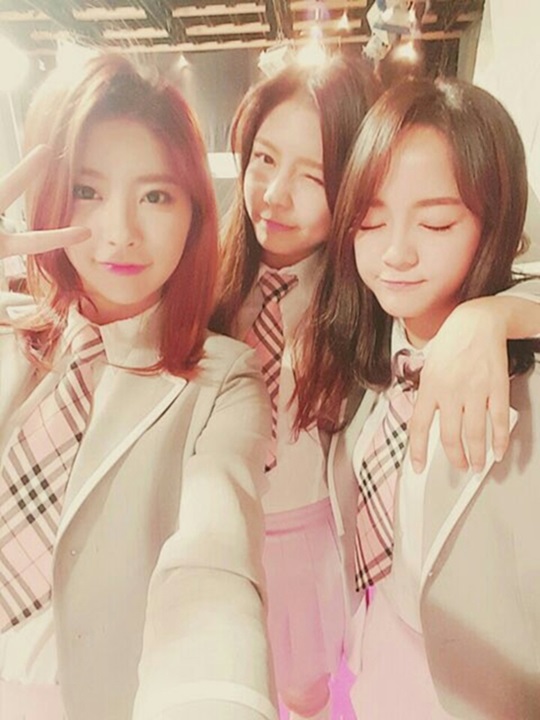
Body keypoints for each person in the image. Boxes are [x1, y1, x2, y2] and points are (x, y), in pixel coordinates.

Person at [211, 52, 540, 720]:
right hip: (366, 649)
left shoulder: (358, 310)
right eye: (371, 217)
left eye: (436, 223)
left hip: (467, 682)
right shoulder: (359, 330)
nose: (396, 251)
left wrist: (496, 313)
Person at [0, 53, 275, 720]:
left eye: (155, 196)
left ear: (194, 214)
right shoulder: (13, 333)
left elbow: (213, 555)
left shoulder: (223, 381)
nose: (120, 232)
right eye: (88, 191)